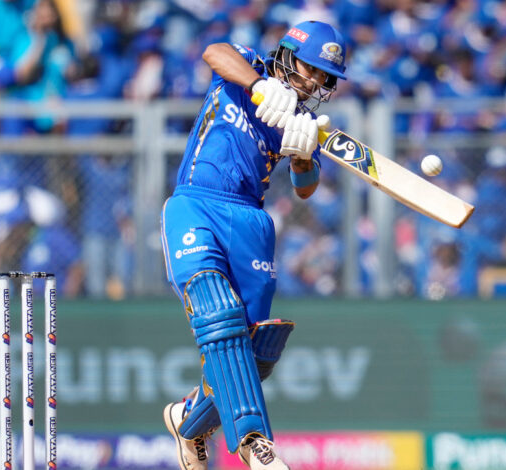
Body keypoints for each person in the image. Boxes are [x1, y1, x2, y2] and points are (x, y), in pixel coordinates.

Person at [159, 20, 347, 470]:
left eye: (324, 78)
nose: (314, 83)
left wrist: (302, 154)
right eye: (311, 69)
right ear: (288, 54)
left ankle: (188, 420)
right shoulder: (248, 63)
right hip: (197, 202)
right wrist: (260, 86)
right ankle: (254, 441)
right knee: (218, 312)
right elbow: (213, 52)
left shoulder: (303, 121)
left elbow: (305, 188)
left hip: (251, 222)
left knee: (256, 350)